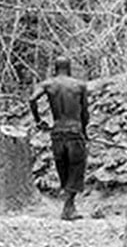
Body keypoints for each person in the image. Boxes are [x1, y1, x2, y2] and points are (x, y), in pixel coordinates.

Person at [29, 56, 89, 220]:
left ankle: (69, 206)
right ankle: (68, 207)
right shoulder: (79, 85)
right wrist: (84, 131)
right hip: (74, 131)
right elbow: (84, 113)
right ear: (69, 68)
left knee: (62, 167)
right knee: (76, 168)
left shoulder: (48, 85)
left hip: (57, 132)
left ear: (55, 68)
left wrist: (38, 121)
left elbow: (32, 99)